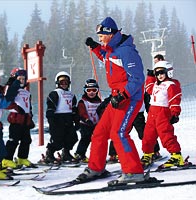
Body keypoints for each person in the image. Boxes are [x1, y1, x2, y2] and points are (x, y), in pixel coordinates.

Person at [78, 16, 145, 183]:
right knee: (100, 132)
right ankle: (96, 167)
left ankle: (134, 171)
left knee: (119, 132)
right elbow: (106, 57)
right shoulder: (111, 49)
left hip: (130, 98)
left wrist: (123, 95)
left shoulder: (126, 51)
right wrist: (95, 47)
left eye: (101, 36)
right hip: (117, 97)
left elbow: (137, 79)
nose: (100, 39)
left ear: (109, 34)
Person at [140, 61, 184, 169]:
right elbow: (149, 88)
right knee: (148, 135)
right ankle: (147, 155)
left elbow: (174, 99)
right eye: (157, 74)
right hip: (152, 113)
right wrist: (150, 76)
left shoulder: (171, 85)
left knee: (166, 134)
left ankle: (176, 155)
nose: (159, 76)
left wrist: (175, 113)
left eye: (161, 73)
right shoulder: (156, 83)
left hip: (163, 113)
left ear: (168, 73)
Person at [41, 71, 79, 164]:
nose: (64, 84)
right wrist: (51, 120)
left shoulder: (71, 95)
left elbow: (74, 109)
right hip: (57, 119)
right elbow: (50, 108)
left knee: (72, 137)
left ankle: (66, 153)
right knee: (57, 139)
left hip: (68, 118)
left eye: (66, 82)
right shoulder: (55, 93)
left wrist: (76, 120)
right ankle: (49, 154)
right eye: (62, 82)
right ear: (57, 83)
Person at [1, 68, 36, 169]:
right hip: (16, 119)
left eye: (23, 79)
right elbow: (7, 101)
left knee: (26, 140)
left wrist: (30, 115)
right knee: (13, 140)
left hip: (26, 120)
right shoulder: (10, 88)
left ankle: (22, 157)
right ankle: (7, 159)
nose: (21, 81)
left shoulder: (26, 92)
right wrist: (16, 107)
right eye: (19, 79)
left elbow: (28, 105)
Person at [74, 78, 101, 163]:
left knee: (98, 140)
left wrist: (102, 122)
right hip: (85, 124)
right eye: (89, 90)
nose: (91, 92)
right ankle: (79, 154)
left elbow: (102, 112)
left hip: (96, 124)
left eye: (94, 90)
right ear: (85, 91)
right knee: (86, 138)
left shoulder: (99, 102)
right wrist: (86, 119)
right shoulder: (83, 102)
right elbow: (82, 112)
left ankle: (97, 156)